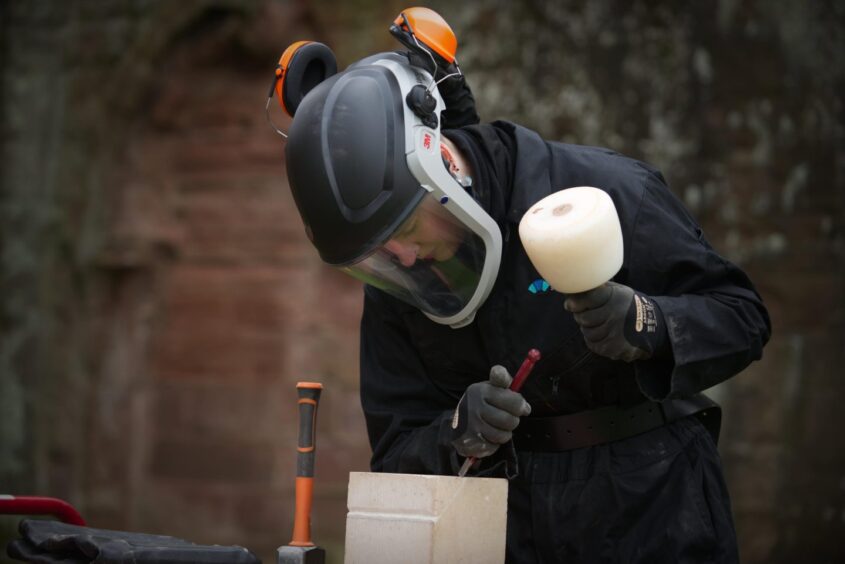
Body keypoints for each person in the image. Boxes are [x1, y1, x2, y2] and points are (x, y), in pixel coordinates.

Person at [283, 42, 771, 563]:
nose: (401, 257)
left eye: (404, 228)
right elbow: (396, 449)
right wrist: (455, 432)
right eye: (378, 252)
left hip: (653, 506)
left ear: (442, 162)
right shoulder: (400, 276)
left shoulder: (604, 191)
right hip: (501, 526)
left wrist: (646, 322)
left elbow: (743, 317)